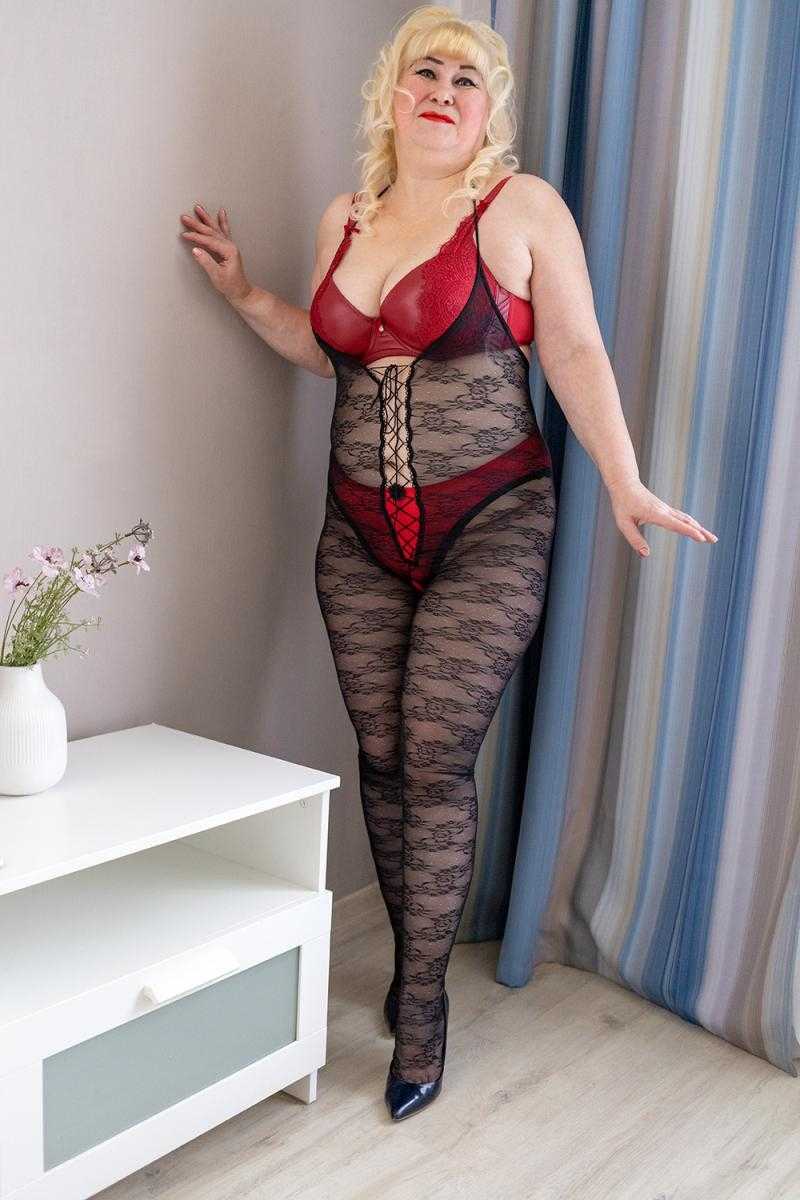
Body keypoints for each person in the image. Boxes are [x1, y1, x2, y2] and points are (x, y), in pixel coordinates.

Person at [179, 4, 717, 1122]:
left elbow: (572, 347)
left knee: (432, 759)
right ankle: (412, 963)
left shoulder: (519, 208)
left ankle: (419, 1006)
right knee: (380, 756)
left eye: (466, 79)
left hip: (492, 521)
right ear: (391, 92)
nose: (442, 89)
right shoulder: (346, 216)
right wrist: (244, 294)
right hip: (357, 534)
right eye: (424, 70)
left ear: (488, 113)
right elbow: (330, 350)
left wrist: (624, 481)